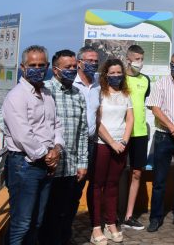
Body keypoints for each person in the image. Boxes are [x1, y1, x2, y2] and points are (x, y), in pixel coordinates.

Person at [1, 45, 64, 245]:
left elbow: (56, 124)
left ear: (47, 66)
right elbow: (22, 135)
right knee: (22, 222)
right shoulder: (16, 96)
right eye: (32, 65)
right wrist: (47, 154)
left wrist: (57, 149)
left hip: (46, 164)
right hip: (25, 165)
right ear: (23, 67)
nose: (37, 68)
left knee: (37, 221)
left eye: (41, 65)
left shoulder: (46, 93)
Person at [40, 49, 89, 245]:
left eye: (74, 66)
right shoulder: (43, 90)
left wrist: (83, 162)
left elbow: (83, 132)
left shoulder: (78, 94)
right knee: (47, 213)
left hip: (71, 166)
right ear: (56, 70)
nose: (72, 70)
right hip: (48, 166)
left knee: (67, 212)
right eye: (67, 67)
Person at [146, 52, 174, 232]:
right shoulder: (161, 83)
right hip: (164, 136)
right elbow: (155, 108)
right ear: (170, 64)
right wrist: (171, 126)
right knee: (160, 181)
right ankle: (156, 217)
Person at [91, 58, 133, 244]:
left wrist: (123, 140)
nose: (116, 75)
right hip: (102, 144)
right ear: (105, 74)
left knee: (113, 185)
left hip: (121, 145)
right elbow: (97, 122)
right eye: (112, 72)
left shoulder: (125, 94)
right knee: (97, 185)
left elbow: (130, 119)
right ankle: (96, 227)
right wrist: (112, 143)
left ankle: (110, 223)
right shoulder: (99, 93)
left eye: (119, 72)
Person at [122, 45, 151, 231]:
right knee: (115, 174)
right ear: (128, 59)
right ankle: (110, 215)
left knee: (137, 173)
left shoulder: (146, 80)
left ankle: (129, 216)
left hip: (140, 133)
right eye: (136, 59)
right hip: (120, 134)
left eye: (141, 59)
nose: (139, 62)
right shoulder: (119, 79)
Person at [73, 45, 101, 226]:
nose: (93, 64)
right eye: (89, 60)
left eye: (96, 61)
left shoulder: (99, 83)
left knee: (89, 184)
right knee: (72, 187)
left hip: (92, 143)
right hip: (73, 144)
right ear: (79, 62)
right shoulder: (70, 83)